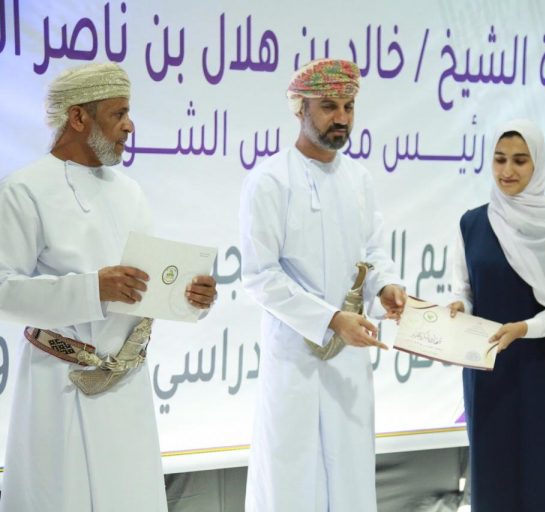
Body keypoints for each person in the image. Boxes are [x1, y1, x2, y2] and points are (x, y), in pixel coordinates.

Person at [0, 62, 217, 512]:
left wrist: (191, 297)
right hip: (59, 387)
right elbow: (3, 292)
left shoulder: (129, 191)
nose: (130, 126)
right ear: (79, 117)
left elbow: (146, 285)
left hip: (127, 390)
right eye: (119, 114)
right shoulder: (22, 190)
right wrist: (92, 289)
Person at [239, 58, 406, 512]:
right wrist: (330, 319)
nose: (342, 118)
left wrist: (386, 287)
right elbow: (259, 275)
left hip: (348, 361)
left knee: (350, 478)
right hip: (295, 358)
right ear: (301, 109)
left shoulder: (359, 179)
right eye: (329, 106)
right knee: (293, 481)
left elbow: (373, 252)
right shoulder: (270, 180)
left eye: (349, 106)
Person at [448, 119, 545, 511]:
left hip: (542, 371)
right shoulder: (472, 222)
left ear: (537, 164)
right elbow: (464, 288)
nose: (507, 171)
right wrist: (459, 307)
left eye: (519, 160)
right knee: (493, 477)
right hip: (488, 371)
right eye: (499, 159)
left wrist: (525, 328)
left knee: (544, 476)